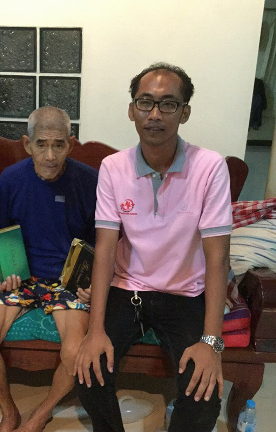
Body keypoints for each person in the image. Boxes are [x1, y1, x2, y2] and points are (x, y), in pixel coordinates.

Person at [74, 63, 232, 432]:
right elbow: (105, 249)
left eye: (168, 104)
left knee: (204, 397)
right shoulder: (113, 168)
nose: (155, 114)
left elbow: (218, 257)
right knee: (89, 375)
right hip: (128, 287)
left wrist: (211, 342)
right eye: (145, 102)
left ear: (184, 112)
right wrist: (95, 331)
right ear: (132, 110)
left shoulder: (210, 167)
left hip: (185, 293)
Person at [0, 106, 97, 432]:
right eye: (41, 144)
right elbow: (5, 233)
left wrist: (92, 282)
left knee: (74, 351)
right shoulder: (11, 178)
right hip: (22, 273)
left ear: (71, 144)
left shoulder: (89, 180)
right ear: (27, 144)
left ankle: (43, 412)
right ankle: (9, 411)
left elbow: (99, 241)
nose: (50, 155)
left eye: (59, 145)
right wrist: (2, 268)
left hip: (67, 278)